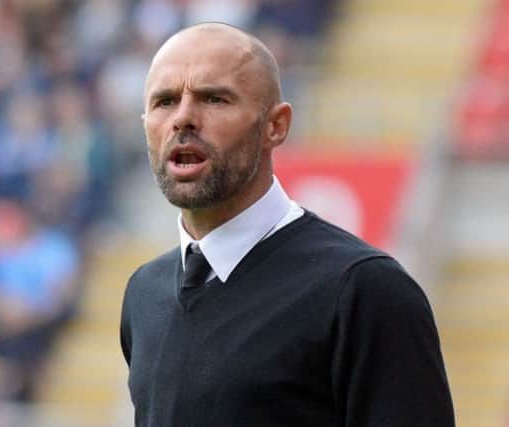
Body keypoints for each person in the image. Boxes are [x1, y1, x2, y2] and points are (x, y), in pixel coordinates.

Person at [120, 22, 455, 427]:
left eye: (214, 99)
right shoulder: (144, 294)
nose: (184, 118)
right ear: (145, 126)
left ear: (275, 126)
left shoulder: (362, 290)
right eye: (165, 101)